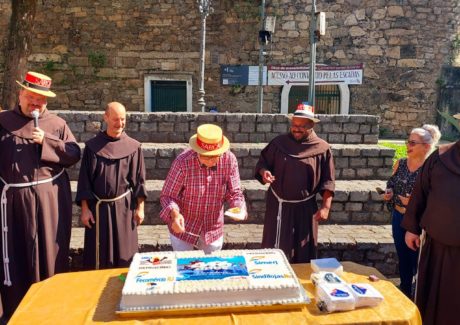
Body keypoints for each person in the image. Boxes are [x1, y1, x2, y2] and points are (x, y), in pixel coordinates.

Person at [0, 71, 81, 320]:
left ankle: (50, 309)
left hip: (49, 204)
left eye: (41, 101)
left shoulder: (56, 124)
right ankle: (15, 312)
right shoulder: (2, 121)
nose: (35, 105)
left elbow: (74, 153)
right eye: (31, 99)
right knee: (14, 256)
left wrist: (47, 142)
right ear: (20, 94)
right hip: (11, 204)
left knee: (48, 255)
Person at [254, 103, 335, 263]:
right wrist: (265, 173)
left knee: (303, 251)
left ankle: (300, 283)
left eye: (302, 126)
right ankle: (274, 283)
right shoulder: (279, 143)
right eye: (294, 125)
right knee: (274, 248)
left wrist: (326, 207)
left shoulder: (322, 148)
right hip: (278, 205)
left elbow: (328, 181)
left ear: (311, 126)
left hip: (305, 208)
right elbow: (262, 164)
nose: (296, 129)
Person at [402, 114, 460, 324]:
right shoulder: (440, 156)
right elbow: (420, 193)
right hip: (435, 245)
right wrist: (412, 228)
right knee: (431, 298)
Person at [76, 102, 147, 270]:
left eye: (123, 119)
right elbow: (84, 181)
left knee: (125, 256)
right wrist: (85, 210)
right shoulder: (92, 148)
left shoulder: (134, 147)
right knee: (98, 256)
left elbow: (139, 181)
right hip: (98, 211)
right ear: (105, 117)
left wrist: (140, 208)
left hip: (124, 209)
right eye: (115, 119)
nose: (119, 123)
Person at [160, 124, 246, 253]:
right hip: (185, 225)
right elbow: (168, 195)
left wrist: (238, 207)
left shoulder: (230, 160)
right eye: (206, 156)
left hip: (213, 227)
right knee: (184, 268)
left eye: (215, 156)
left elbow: (235, 192)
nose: (211, 161)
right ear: (197, 151)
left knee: (212, 268)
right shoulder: (182, 162)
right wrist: (174, 214)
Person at [383, 124, 441, 298]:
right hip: (399, 217)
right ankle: (405, 289)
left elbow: (437, 198)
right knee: (403, 256)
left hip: (419, 221)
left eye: (413, 143)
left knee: (417, 258)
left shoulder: (433, 169)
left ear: (427, 147)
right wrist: (389, 192)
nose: (408, 146)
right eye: (407, 141)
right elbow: (391, 183)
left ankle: (419, 293)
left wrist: (414, 203)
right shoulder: (400, 163)